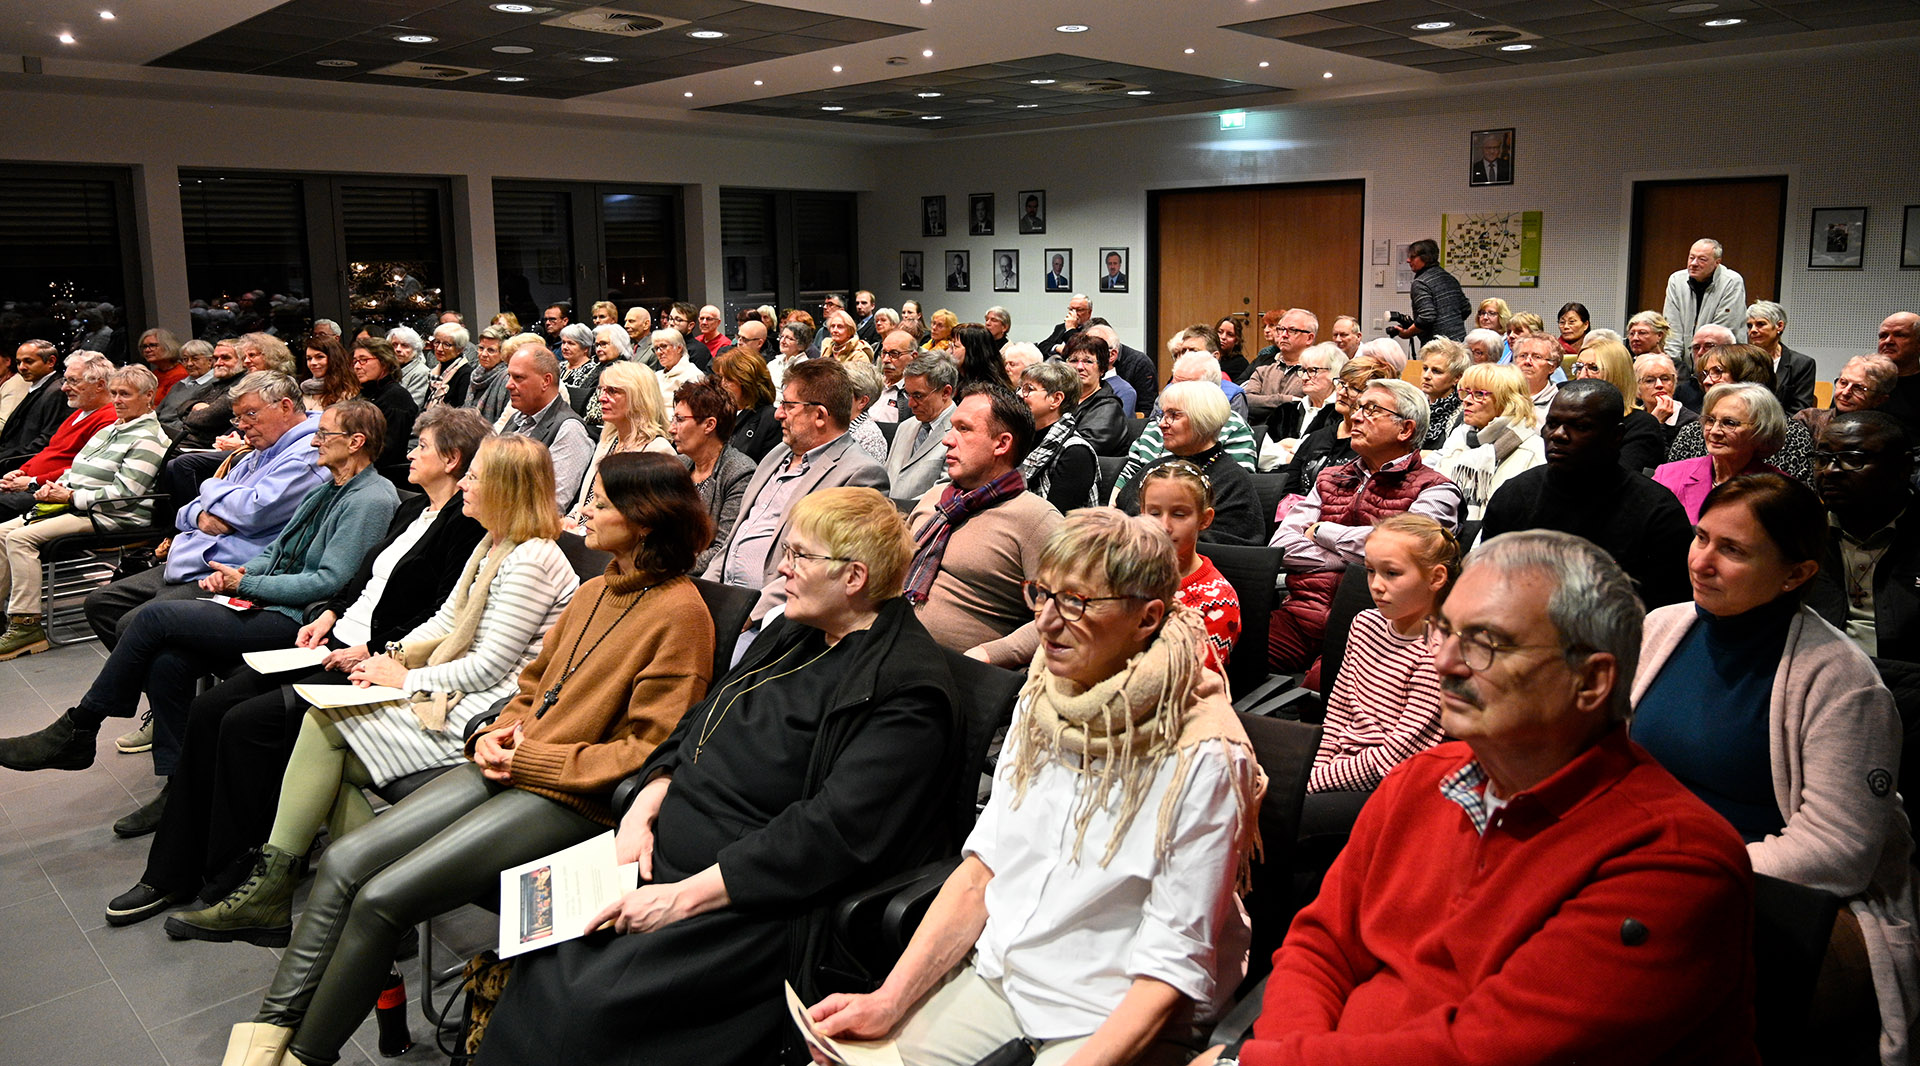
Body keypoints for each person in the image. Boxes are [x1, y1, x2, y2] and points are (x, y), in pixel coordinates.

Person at [213, 451, 716, 1066]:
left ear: (645, 521)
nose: (584, 511)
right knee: (343, 861)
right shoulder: (595, 591)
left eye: (601, 504)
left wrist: (529, 759)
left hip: (572, 798)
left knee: (381, 897)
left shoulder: (681, 615)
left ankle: (303, 1056)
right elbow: (532, 687)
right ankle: (268, 1035)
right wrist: (495, 733)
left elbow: (649, 750)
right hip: (513, 764)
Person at [480, 486, 959, 1066]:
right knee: (540, 952)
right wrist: (644, 807)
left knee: (587, 1007)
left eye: (799, 556)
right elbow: (698, 720)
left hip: (748, 897)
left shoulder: (906, 690)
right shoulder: (795, 630)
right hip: (659, 852)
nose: (782, 568)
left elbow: (830, 833)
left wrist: (681, 899)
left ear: (854, 577)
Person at [1242, 530, 1758, 1065]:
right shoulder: (1421, 780)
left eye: (1486, 642)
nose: (1445, 662)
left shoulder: (1671, 860)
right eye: (1445, 632)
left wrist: (1272, 1060)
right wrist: (1281, 1049)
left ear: (1590, 680)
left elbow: (1485, 1052)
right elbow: (1320, 945)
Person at [166, 432, 582, 945]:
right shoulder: (494, 543)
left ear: (504, 488)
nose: (464, 486)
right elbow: (447, 621)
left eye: (474, 478)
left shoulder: (532, 560)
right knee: (322, 739)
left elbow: (490, 668)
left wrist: (404, 677)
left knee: (323, 732)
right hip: (455, 685)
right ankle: (357, 899)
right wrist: (390, 657)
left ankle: (336, 898)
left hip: (485, 710)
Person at [106, 408, 490, 922]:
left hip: (370, 660)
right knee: (210, 708)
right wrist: (329, 614)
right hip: (334, 637)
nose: (410, 452)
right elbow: (361, 581)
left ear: (452, 459)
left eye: (422, 446)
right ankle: (171, 872)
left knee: (244, 723)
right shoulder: (414, 508)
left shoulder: (462, 525)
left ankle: (231, 875)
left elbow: (439, 615)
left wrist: (373, 648)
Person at [1632, 474, 1917, 1065]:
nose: (1702, 562)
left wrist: (1682, 870)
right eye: (1701, 537)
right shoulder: (1662, 626)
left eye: (1733, 550)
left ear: (1796, 574)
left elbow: (1836, 851)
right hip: (1647, 866)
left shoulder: (1844, 681)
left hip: (1770, 892)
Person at [0, 400, 401, 810]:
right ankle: (179, 788)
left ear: (356, 442)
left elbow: (330, 582)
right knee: (167, 662)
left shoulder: (369, 499)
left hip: (299, 620)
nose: (314, 441)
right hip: (266, 599)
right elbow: (275, 551)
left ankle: (80, 726)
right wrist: (239, 573)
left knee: (154, 616)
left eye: (324, 434)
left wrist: (250, 583)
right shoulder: (328, 488)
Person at [1269, 379, 1461, 671]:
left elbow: (1405, 554)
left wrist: (1321, 532)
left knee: (1323, 685)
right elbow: (1281, 546)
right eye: (1358, 408)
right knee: (1220, 658)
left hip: (1380, 627)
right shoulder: (1331, 477)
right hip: (1300, 615)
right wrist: (1356, 559)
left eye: (1372, 409)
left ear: (1405, 429)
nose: (1356, 416)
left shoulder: (1435, 489)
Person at [1302, 514, 1456, 842]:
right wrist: (1313, 769)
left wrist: (1312, 782)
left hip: (1391, 785)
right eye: (1371, 571)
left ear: (1436, 577)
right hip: (1340, 768)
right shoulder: (1364, 624)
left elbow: (1396, 757)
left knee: (1282, 817)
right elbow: (1338, 713)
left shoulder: (1438, 652)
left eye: (1392, 573)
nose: (1376, 585)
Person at [0, 365, 169, 660]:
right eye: (114, 393)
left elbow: (124, 496)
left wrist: (69, 496)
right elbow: (77, 470)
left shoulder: (148, 439)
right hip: (79, 505)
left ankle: (26, 626)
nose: (117, 400)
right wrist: (50, 486)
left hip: (111, 515)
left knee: (20, 538)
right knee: (1, 531)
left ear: (148, 396)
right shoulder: (112, 428)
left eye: (125, 394)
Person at [703, 360, 889, 622]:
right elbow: (733, 540)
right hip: (726, 601)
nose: (778, 414)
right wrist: (705, 597)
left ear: (820, 416)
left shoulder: (860, 474)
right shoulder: (777, 455)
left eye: (788, 406)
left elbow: (822, 567)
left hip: (773, 617)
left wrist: (745, 615)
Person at [1480, 380, 1694, 608]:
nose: (1558, 435)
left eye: (1580, 426)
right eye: (1552, 424)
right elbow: (1486, 586)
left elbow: (1666, 613)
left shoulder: (1657, 511)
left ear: (1616, 436)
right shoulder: (1514, 495)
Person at [1807, 412, 1917, 661]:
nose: (1830, 471)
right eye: (1822, 459)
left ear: (1904, 467)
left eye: (1852, 458)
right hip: (1815, 670)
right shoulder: (1798, 533)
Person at [1114, 381, 1264, 545]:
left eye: (1173, 415)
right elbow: (1122, 515)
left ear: (1203, 420)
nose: (1162, 424)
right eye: (1162, 415)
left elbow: (1229, 549)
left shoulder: (1233, 481)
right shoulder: (1156, 468)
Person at [1666, 342, 1815, 483]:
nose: (1706, 381)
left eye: (1717, 372)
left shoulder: (1790, 434)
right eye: (1705, 374)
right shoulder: (1691, 432)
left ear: (1747, 377)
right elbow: (1672, 483)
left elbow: (1794, 494)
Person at [0, 351, 118, 520]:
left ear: (100, 385)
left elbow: (84, 469)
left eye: (73, 381)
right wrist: (20, 471)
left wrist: (33, 481)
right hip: (30, 484)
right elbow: (50, 450)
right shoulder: (79, 413)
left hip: (53, 492)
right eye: (65, 380)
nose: (64, 388)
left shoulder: (109, 419)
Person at [1653, 382, 1787, 523]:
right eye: (1710, 420)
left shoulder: (1780, 492)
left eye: (1729, 423)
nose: (1714, 431)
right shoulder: (1667, 476)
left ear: (1761, 431)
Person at [1429, 362, 1545, 522]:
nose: (1467, 400)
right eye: (1466, 392)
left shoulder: (1534, 451)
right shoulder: (1460, 436)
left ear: (1507, 401)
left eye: (1479, 394)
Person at [564, 360, 673, 532]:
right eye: (602, 390)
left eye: (612, 391)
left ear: (638, 397)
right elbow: (589, 499)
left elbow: (644, 522)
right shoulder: (608, 440)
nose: (601, 398)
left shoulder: (658, 451)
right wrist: (571, 518)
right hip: (584, 532)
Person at [1274, 354, 1393, 501]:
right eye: (1341, 383)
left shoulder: (1375, 446)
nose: (1341, 392)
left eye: (1354, 388)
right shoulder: (1317, 437)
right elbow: (1287, 491)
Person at [669, 379, 756, 573]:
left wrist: (668, 567)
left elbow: (723, 550)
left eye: (680, 420)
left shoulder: (739, 473)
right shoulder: (678, 465)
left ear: (709, 425)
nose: (671, 429)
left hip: (701, 579)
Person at [502, 345, 594, 512]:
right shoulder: (517, 418)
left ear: (546, 381)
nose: (508, 385)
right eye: (509, 376)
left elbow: (550, 507)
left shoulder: (570, 430)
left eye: (518, 377)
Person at [1013, 361, 1098, 513]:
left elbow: (1057, 518)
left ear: (1056, 399)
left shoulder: (1076, 453)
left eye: (1028, 389)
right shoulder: (1019, 438)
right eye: (1020, 388)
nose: (1019, 394)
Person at [1662, 238, 1748, 387]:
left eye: (1702, 259)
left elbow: (1719, 336)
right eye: (1691, 257)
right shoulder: (1676, 280)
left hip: (1721, 367)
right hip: (1684, 370)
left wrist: (1705, 371)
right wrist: (1674, 368)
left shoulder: (1732, 281)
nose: (1694, 263)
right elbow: (1672, 329)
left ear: (1717, 262)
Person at [1572, 336, 1667, 472]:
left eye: (1593, 368)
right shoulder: (1568, 418)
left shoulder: (1641, 425)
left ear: (1617, 374)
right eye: (1579, 367)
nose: (1581, 376)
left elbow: (1622, 476)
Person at [886, 352, 958, 503]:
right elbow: (886, 476)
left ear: (946, 392)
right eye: (908, 394)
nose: (910, 404)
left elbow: (944, 492)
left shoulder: (960, 433)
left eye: (918, 396)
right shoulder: (905, 426)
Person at [346, 337, 419, 472]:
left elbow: (388, 452)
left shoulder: (396, 397)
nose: (357, 366)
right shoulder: (366, 394)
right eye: (355, 361)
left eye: (363, 360)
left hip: (383, 474)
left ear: (384, 362)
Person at [1797, 354, 1898, 441]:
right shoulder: (1809, 419)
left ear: (1879, 399)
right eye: (1843, 383)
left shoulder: (1884, 434)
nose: (1845, 392)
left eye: (1858, 388)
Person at [1741, 300, 1816, 415]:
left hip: (1783, 423)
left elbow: (1800, 410)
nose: (1753, 330)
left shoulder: (1801, 364)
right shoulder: (1742, 360)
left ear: (1779, 326)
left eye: (1761, 324)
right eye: (1749, 326)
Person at [709, 345, 780, 462]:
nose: (722, 385)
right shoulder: (718, 412)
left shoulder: (770, 419)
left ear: (747, 382)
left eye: (728, 379)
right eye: (721, 378)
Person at [1391, 239, 1469, 344]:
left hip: (1437, 346)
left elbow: (1427, 317)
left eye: (1412, 257)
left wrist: (1408, 333)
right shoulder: (1450, 278)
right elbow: (1466, 309)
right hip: (1459, 342)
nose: (1408, 260)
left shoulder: (1421, 282)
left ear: (1425, 258)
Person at [1062, 332, 1127, 456]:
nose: (1079, 367)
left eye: (1088, 361)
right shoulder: (1059, 400)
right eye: (1074, 360)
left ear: (1102, 369)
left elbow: (1083, 450)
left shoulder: (1109, 407)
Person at [1243, 308, 1316, 411]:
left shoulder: (1314, 375)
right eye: (1281, 329)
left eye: (1292, 330)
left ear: (1309, 338)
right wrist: (1286, 399)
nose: (1284, 335)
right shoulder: (1262, 371)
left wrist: (1264, 402)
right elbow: (1247, 400)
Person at [1635, 351, 1696, 445]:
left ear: (1674, 383)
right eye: (1649, 380)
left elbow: (1662, 454)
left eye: (1665, 379)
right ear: (1637, 387)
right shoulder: (1633, 419)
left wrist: (1657, 424)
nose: (1659, 385)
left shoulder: (1692, 423)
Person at [1416, 337, 1467, 448]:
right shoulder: (1415, 406)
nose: (1426, 376)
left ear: (1457, 378)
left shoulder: (1464, 414)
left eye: (1436, 371)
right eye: (1425, 368)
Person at [464, 324, 513, 422]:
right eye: (481, 348)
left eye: (491, 350)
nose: (483, 354)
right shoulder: (476, 374)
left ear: (503, 353)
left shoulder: (507, 378)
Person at [651, 327, 707, 400]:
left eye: (664, 346)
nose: (659, 352)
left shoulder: (693, 376)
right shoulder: (657, 376)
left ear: (679, 348)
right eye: (656, 348)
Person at [427, 321, 472, 408]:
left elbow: (461, 411)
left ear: (460, 349)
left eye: (446, 344)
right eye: (437, 342)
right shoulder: (435, 371)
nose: (439, 349)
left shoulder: (465, 374)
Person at [385, 326, 433, 408]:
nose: (398, 349)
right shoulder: (387, 369)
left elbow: (412, 407)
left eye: (404, 345)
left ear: (415, 349)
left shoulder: (422, 373)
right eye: (394, 345)